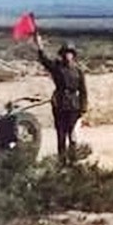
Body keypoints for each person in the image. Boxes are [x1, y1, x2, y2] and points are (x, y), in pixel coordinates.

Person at [34, 33, 87, 162]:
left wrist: (83, 107)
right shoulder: (57, 68)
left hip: (74, 105)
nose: (67, 55)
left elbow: (83, 90)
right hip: (60, 104)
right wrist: (39, 45)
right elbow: (44, 60)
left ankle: (73, 160)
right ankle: (62, 161)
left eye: (70, 53)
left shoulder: (78, 71)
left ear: (73, 55)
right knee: (61, 134)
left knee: (73, 134)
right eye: (65, 53)